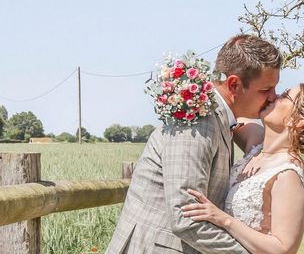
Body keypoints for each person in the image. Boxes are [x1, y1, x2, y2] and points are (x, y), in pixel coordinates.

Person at [106, 34, 282, 254]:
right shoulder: (198, 122)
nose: (274, 97)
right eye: (265, 90)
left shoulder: (220, 118)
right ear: (234, 84)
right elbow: (186, 218)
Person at [181, 83, 304, 254]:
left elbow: (283, 249)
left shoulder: (288, 173)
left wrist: (224, 220)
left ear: (297, 121)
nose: (273, 96)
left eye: (285, 95)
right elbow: (227, 107)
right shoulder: (255, 142)